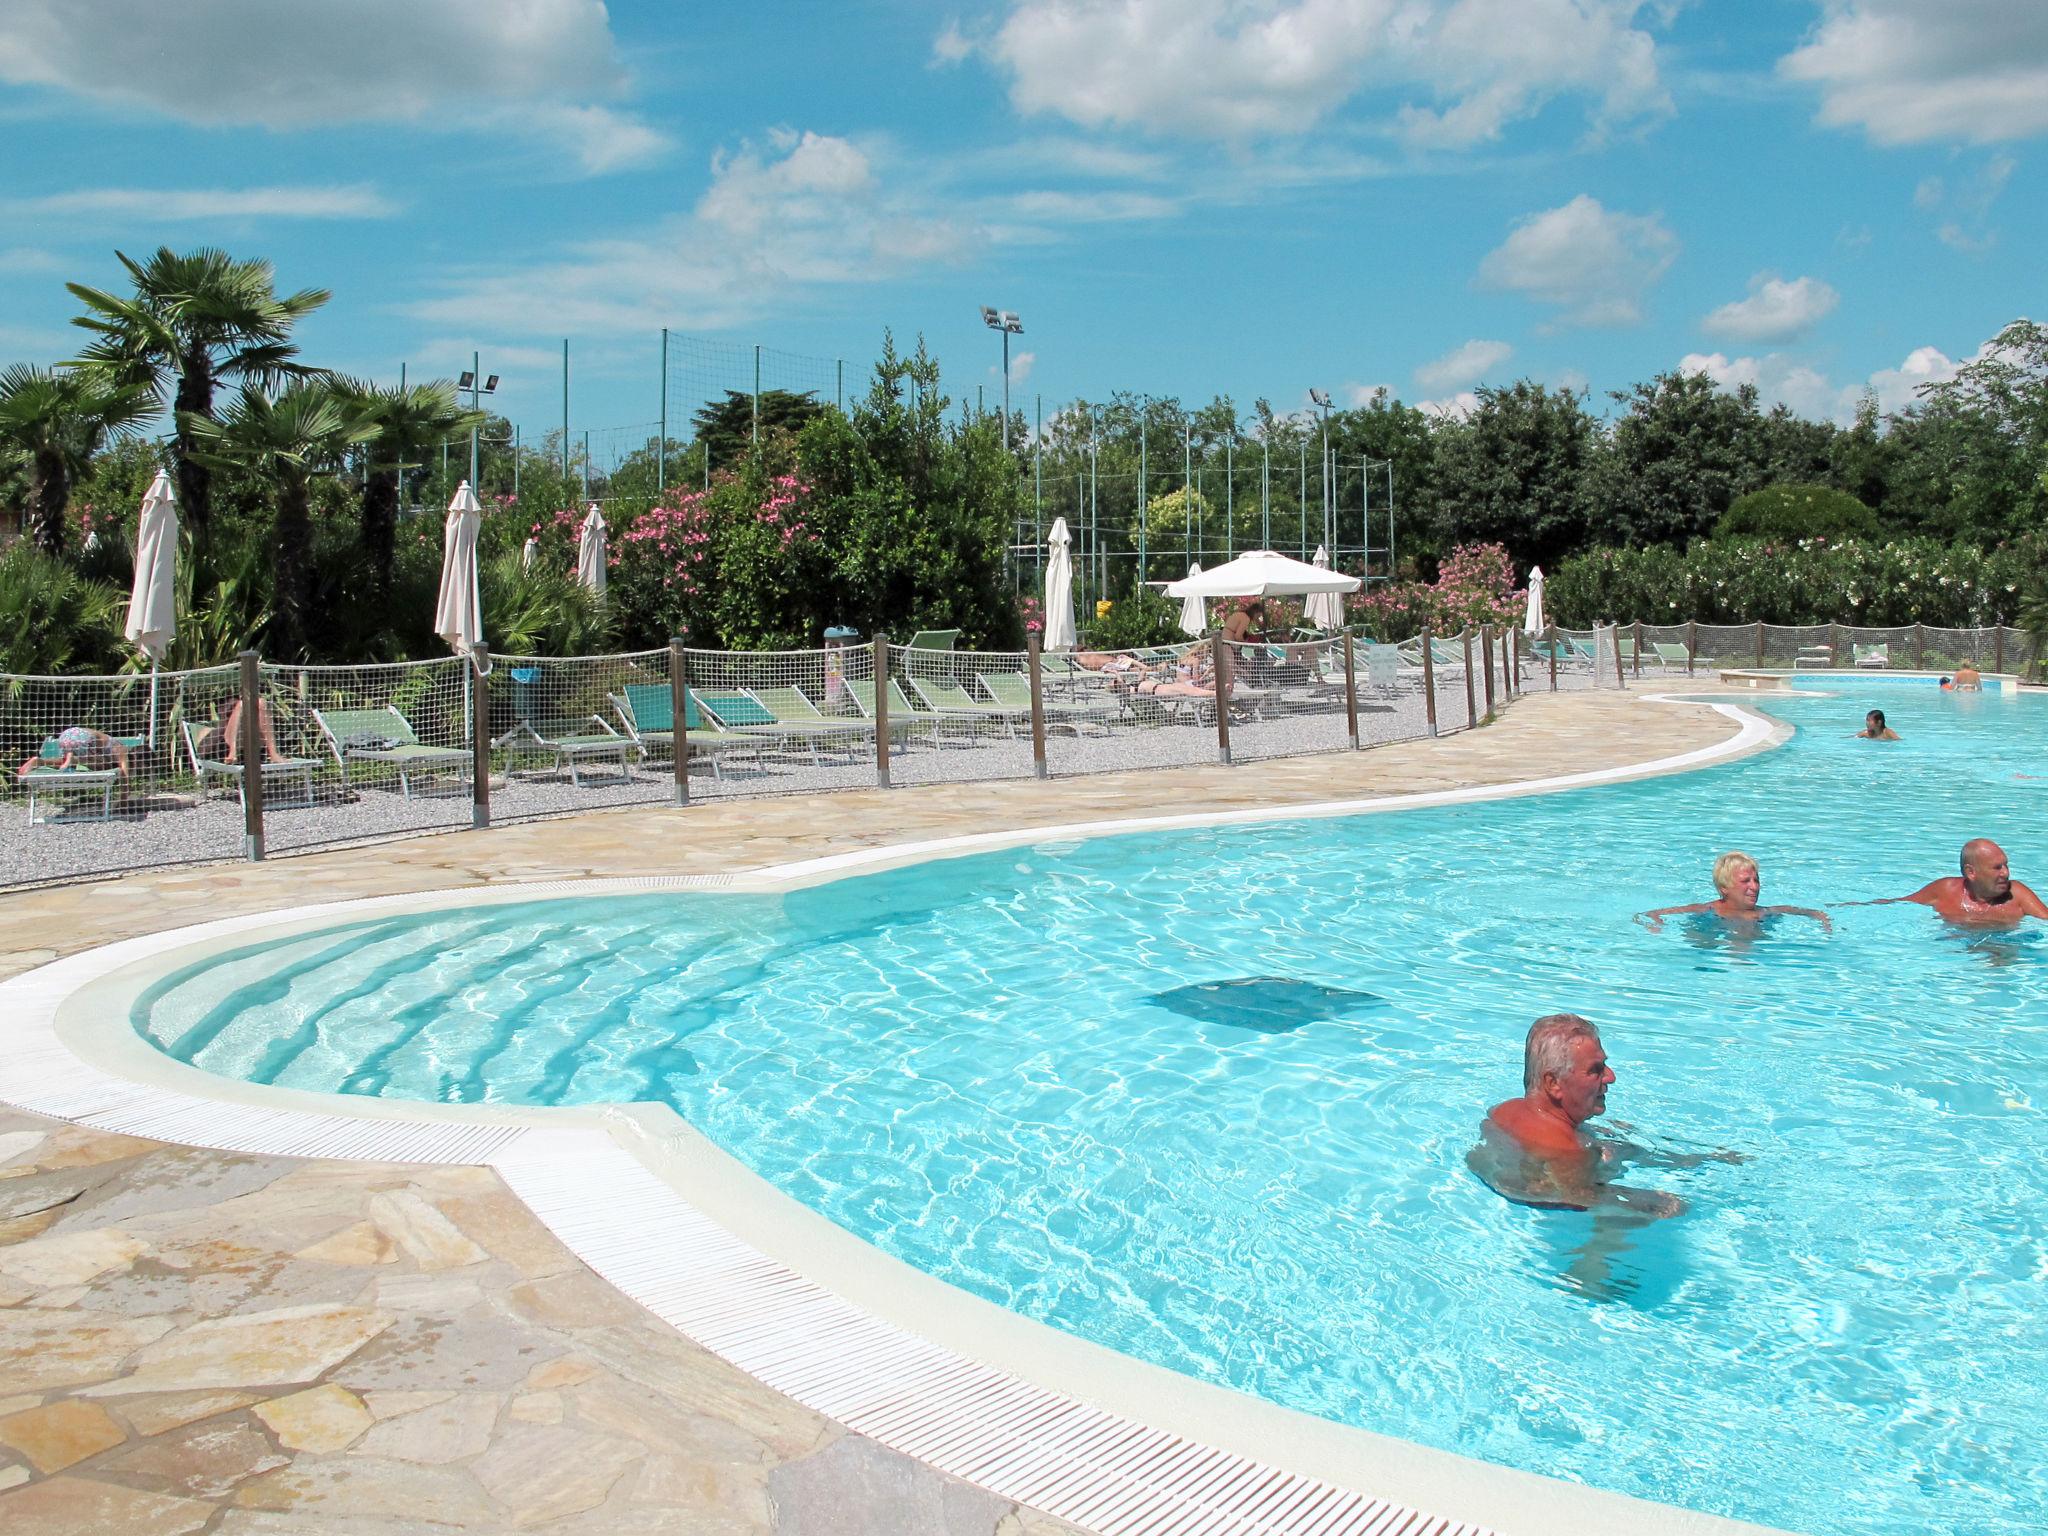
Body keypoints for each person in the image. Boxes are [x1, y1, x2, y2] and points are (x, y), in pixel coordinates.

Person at [1467, 1014, 1739, 1217]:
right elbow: (1581, 1202)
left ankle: (1694, 1160)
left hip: (1523, 1173)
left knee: (1614, 1142)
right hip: (1552, 1202)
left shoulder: (1504, 1110)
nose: (1611, 1077)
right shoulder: (1567, 1151)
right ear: (1553, 1084)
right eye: (1596, 1070)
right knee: (1674, 1206)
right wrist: (1657, 1205)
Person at [1638, 851, 1830, 932]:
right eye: (1745, 881)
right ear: (1724, 888)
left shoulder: (1767, 911)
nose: (1754, 887)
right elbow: (1647, 914)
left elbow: (1813, 912)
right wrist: (1656, 924)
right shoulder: (1705, 910)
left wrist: (1824, 922)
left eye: (1756, 880)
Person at [1888, 839, 2047, 926]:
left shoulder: (2017, 894)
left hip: (2000, 949)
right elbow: (1899, 904)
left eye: (2006, 865)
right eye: (1997, 868)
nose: (2006, 873)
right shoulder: (1944, 890)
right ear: (1971, 872)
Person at [15, 725, 130, 779]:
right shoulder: (120, 749)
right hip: (85, 741)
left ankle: (40, 761)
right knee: (102, 766)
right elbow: (125, 774)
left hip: (71, 734)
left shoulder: (109, 742)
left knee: (68, 760)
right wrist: (123, 800)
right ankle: (70, 760)